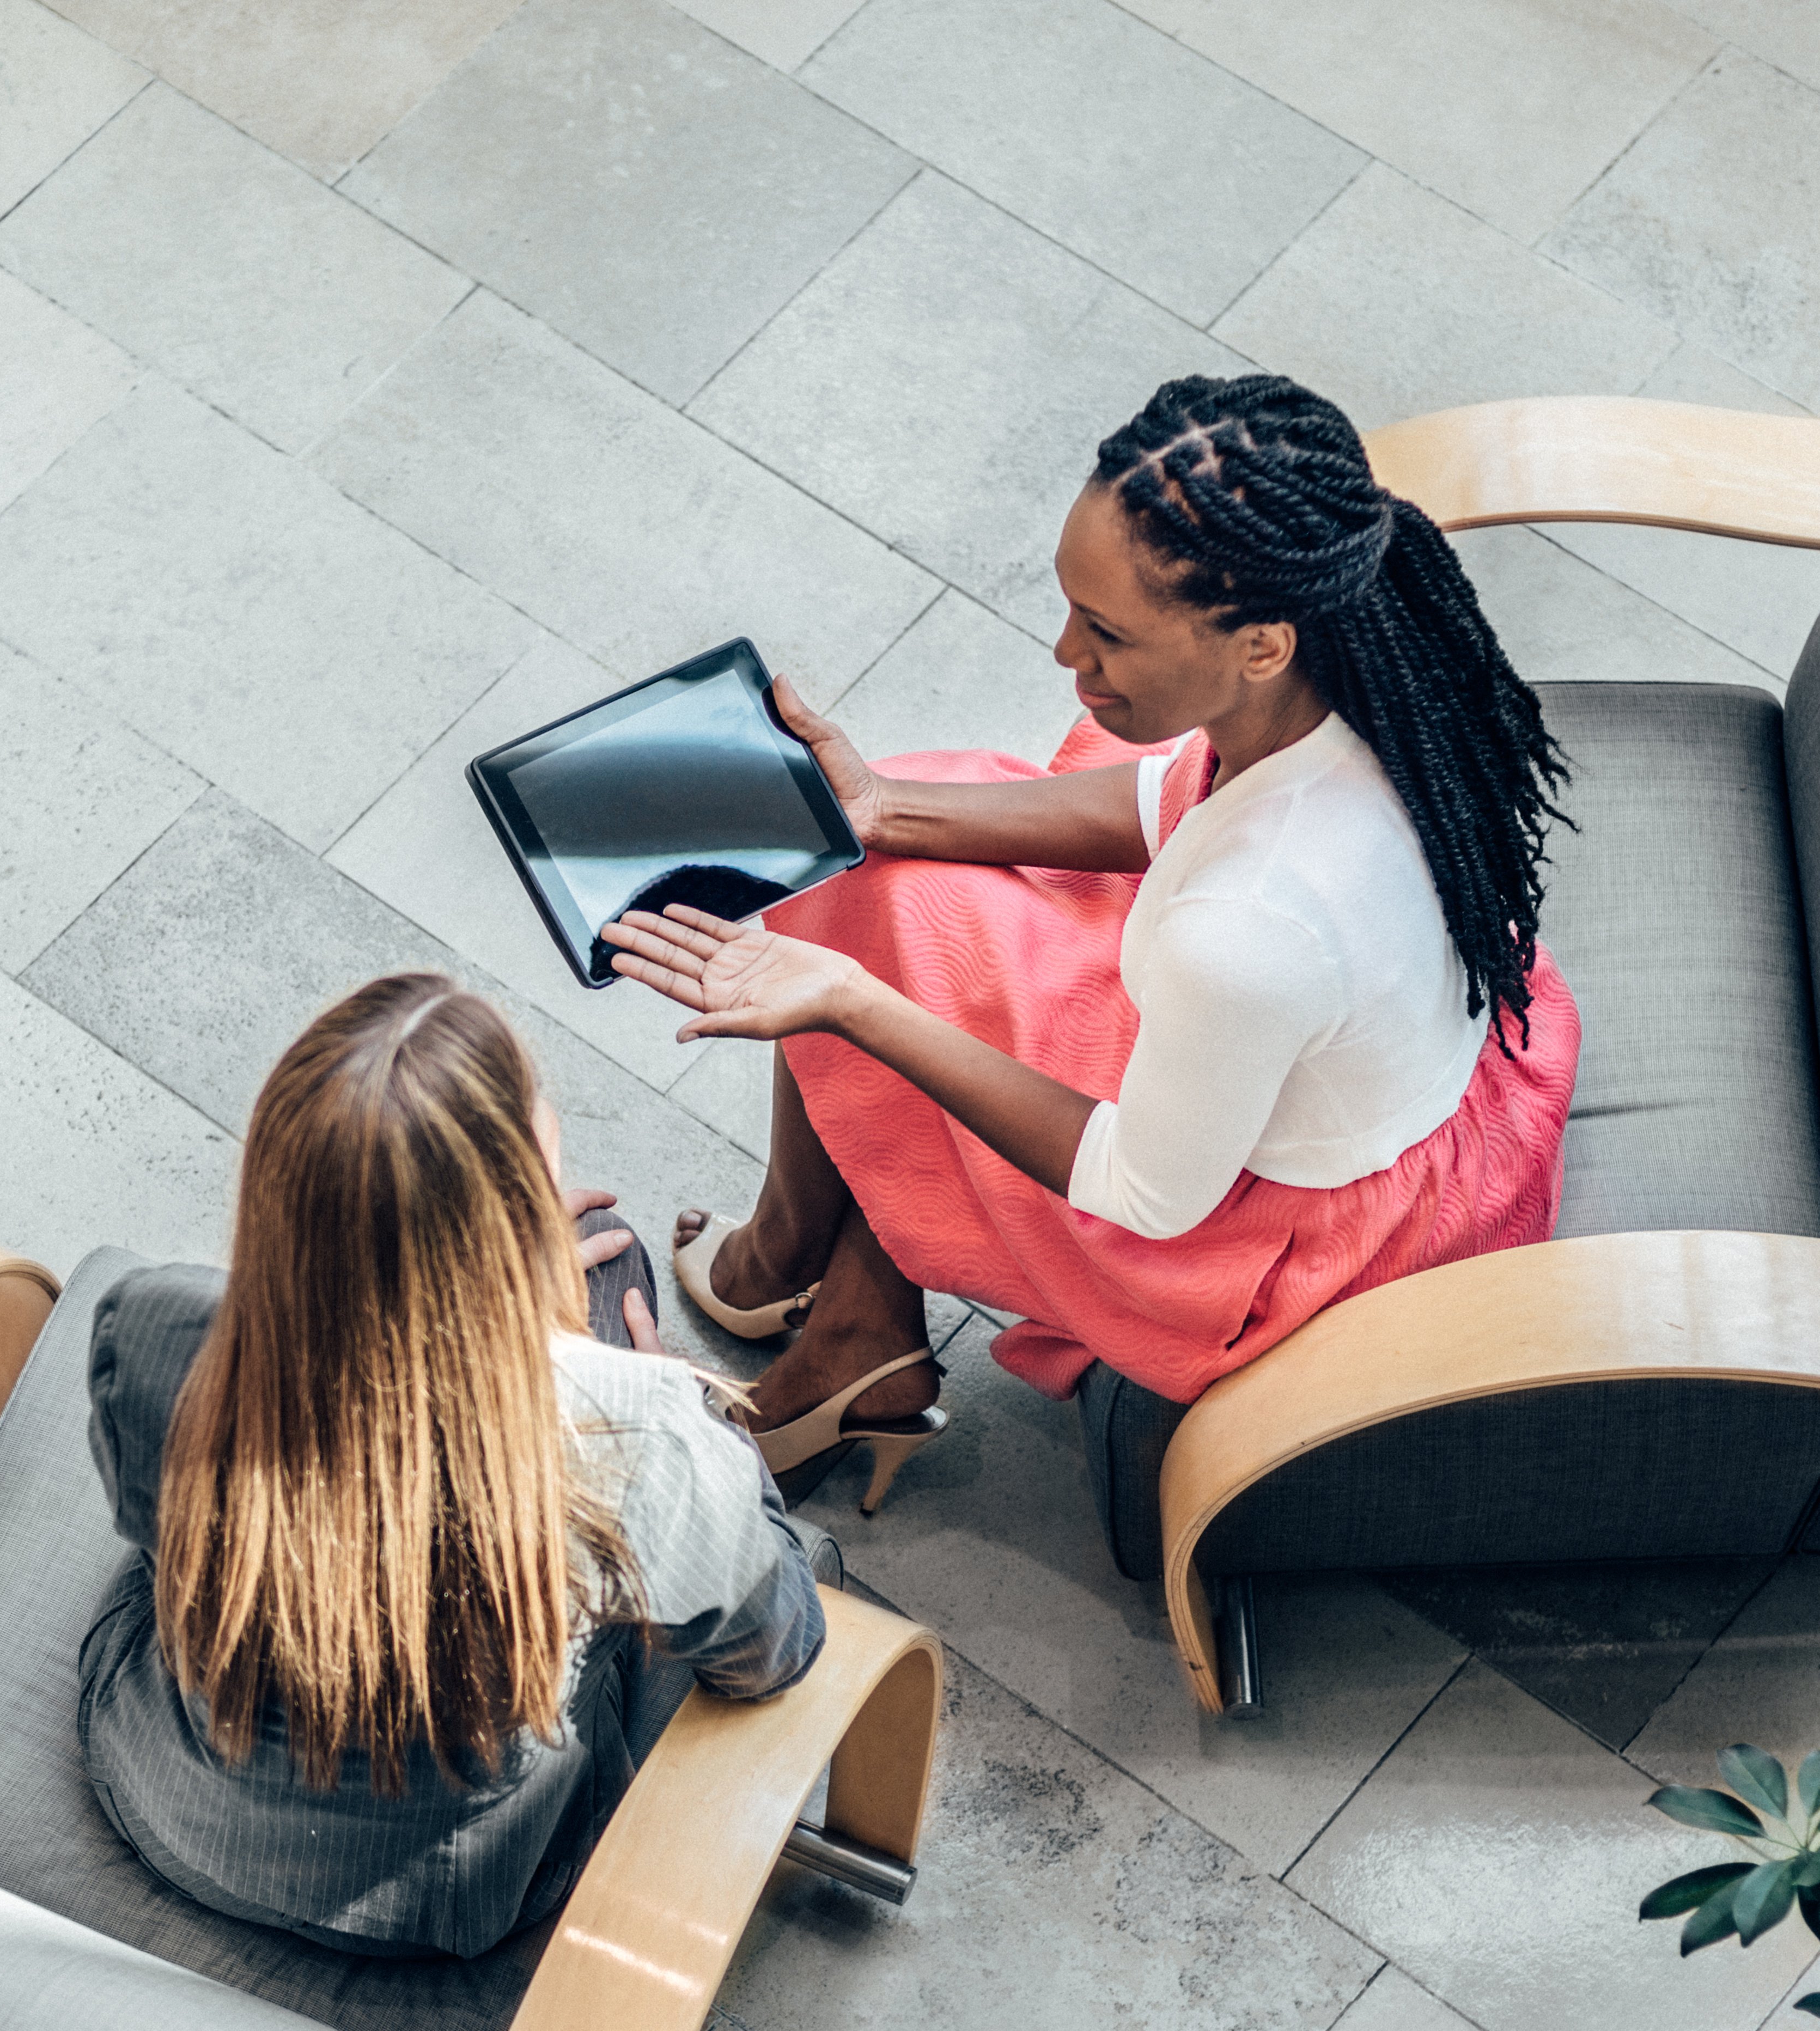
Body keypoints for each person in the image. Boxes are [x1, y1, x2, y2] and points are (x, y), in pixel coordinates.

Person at [598, 371, 1583, 1508]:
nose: (1069, 654)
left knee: (878, 972)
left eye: (1108, 633)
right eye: (1072, 606)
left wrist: (854, 1004)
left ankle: (822, 1303)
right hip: (1330, 1067)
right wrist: (882, 808)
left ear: (1259, 643)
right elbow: (1164, 802)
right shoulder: (1345, 679)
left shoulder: (1254, 924)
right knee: (897, 843)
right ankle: (823, 1279)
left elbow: (1143, 1193)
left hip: (1257, 1235)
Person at [75, 972, 829, 1961]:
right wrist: (680, 1411)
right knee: (615, 1267)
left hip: (160, 1785)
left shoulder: (155, 1324)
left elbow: (148, 1529)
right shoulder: (631, 1434)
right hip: (446, 1895)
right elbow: (777, 1648)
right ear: (508, 1217)